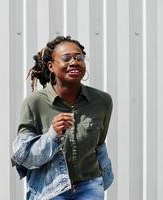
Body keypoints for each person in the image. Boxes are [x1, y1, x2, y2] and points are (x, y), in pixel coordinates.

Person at [11, 36, 114, 200]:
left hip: (89, 186)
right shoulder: (35, 103)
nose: (74, 62)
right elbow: (24, 157)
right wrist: (52, 135)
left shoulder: (102, 101)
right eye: (66, 58)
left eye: (79, 57)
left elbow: (99, 146)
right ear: (51, 66)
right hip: (49, 188)